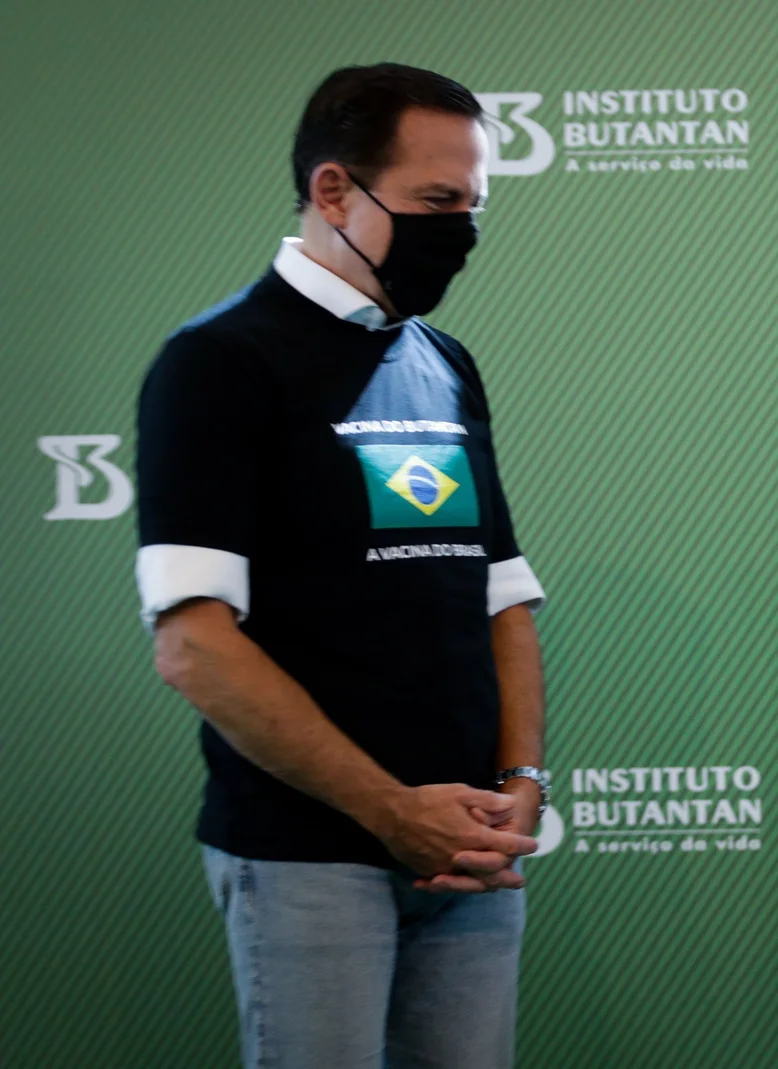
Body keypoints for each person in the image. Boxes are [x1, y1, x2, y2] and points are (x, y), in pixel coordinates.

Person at [136, 64, 550, 1069]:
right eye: (435, 203)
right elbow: (194, 646)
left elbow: (501, 598)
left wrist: (521, 776)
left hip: (468, 857)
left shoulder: (445, 361)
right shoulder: (219, 362)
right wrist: (389, 808)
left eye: (472, 207)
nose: (459, 231)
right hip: (307, 856)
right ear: (333, 192)